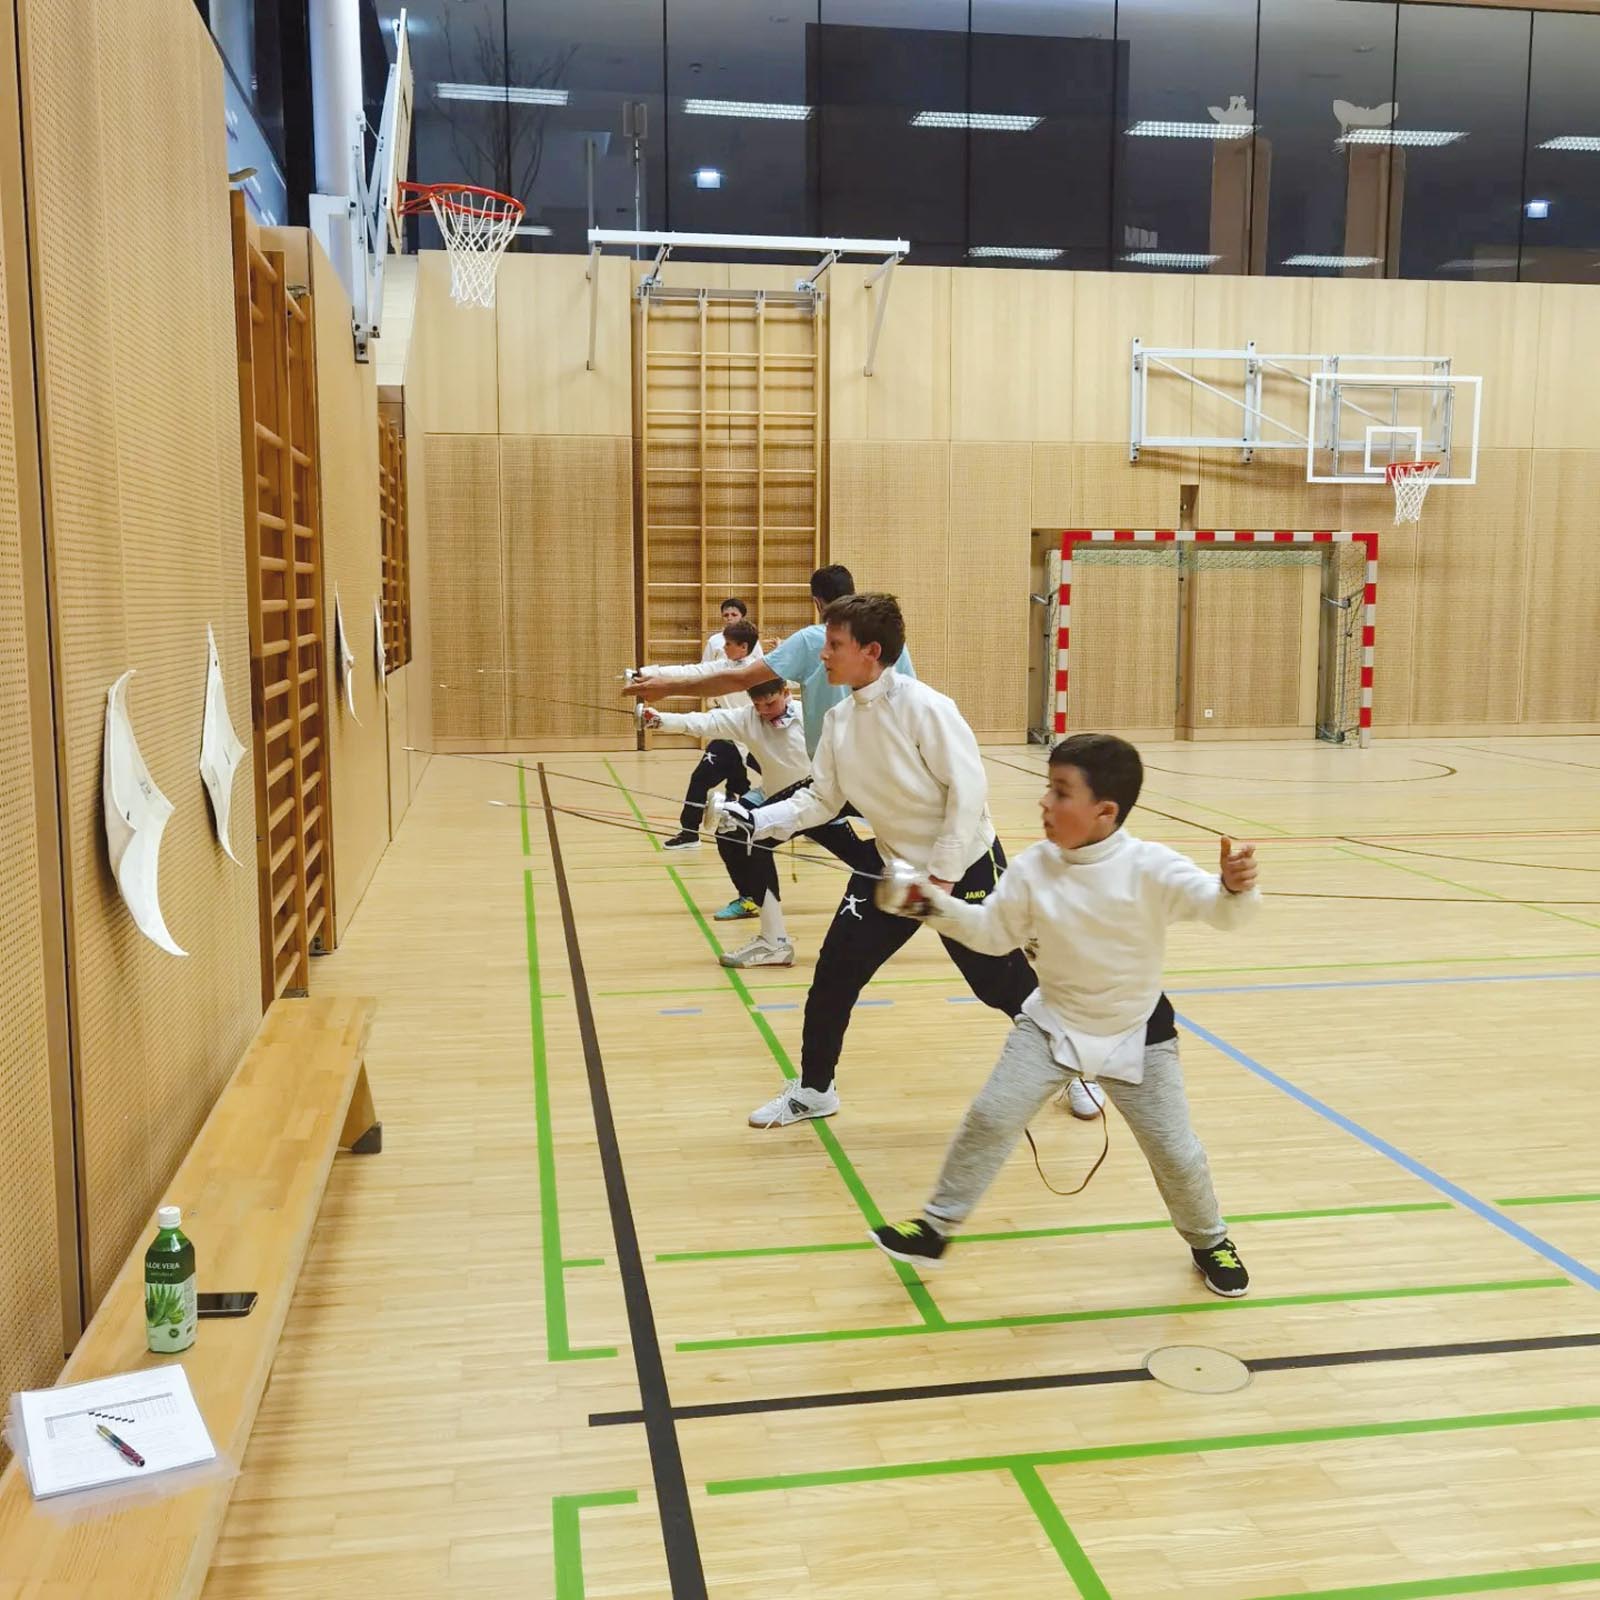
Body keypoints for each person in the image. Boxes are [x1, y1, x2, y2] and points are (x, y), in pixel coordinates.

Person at [868, 732, 1260, 1299]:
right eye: (1047, 789)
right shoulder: (1033, 867)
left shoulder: (1149, 867)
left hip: (1136, 1030)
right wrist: (926, 903)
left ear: (1105, 811)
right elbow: (992, 933)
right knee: (991, 1117)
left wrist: (1234, 888)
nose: (1045, 803)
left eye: (1060, 792)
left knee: (1176, 1152)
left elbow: (1223, 913)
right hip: (1051, 1024)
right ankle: (934, 1229)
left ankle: (1210, 1240)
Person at [723, 592, 1041, 1130]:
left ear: (871, 651)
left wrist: (941, 877)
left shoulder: (927, 708)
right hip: (892, 870)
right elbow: (821, 799)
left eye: (834, 644)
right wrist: (757, 820)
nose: (823, 654)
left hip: (963, 867)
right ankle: (815, 1090)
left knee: (997, 984)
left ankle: (1070, 1063)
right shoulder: (840, 719)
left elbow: (967, 794)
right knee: (834, 976)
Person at [645, 676, 816, 968]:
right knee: (732, 832)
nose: (764, 711)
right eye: (757, 705)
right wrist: (662, 720)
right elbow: (707, 722)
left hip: (820, 801)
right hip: (774, 798)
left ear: (786, 692)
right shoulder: (748, 719)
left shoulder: (810, 717)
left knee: (866, 863)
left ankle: (901, 902)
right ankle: (763, 919)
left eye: (770, 703)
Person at [646, 618, 763, 859]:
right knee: (713, 781)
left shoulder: (754, 671)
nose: (724, 648)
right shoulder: (726, 665)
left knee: (784, 782)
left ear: (743, 647)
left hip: (752, 740)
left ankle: (813, 824)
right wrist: (648, 673)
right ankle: (692, 832)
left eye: (728, 644)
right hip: (729, 738)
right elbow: (690, 671)